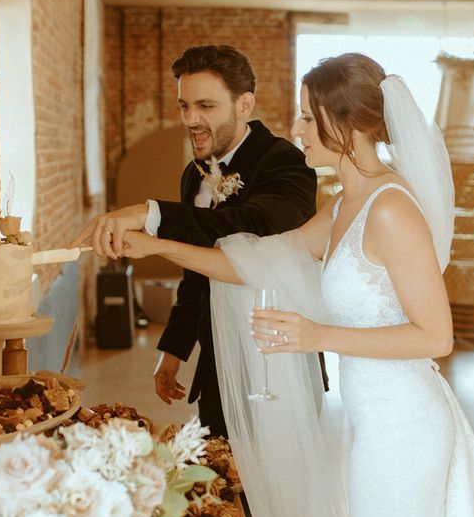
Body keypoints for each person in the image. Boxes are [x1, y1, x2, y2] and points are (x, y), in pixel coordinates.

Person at [118, 53, 474, 517]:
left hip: (406, 426)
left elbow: (436, 336)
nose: (296, 128)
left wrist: (318, 335)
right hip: (374, 420)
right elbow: (255, 260)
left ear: (344, 123)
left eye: (307, 116)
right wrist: (156, 245)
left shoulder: (389, 209)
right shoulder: (345, 204)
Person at [71, 44, 317, 437]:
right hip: (215, 360)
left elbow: (255, 225)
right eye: (185, 106)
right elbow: (195, 272)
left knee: (264, 491)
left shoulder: (285, 161)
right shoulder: (194, 174)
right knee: (220, 477)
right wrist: (173, 351)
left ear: (244, 105)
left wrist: (150, 214)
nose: (191, 119)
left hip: (275, 365)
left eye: (206, 106)